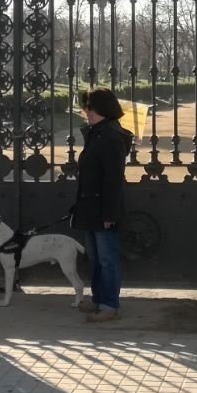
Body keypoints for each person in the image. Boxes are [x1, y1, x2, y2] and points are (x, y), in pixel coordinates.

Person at [72, 87, 133, 323]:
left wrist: (109, 213)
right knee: (96, 258)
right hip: (90, 206)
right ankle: (99, 299)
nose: (86, 111)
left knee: (107, 259)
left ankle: (109, 304)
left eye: (90, 107)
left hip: (103, 208)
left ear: (102, 110)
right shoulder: (97, 133)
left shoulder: (110, 137)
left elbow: (112, 179)